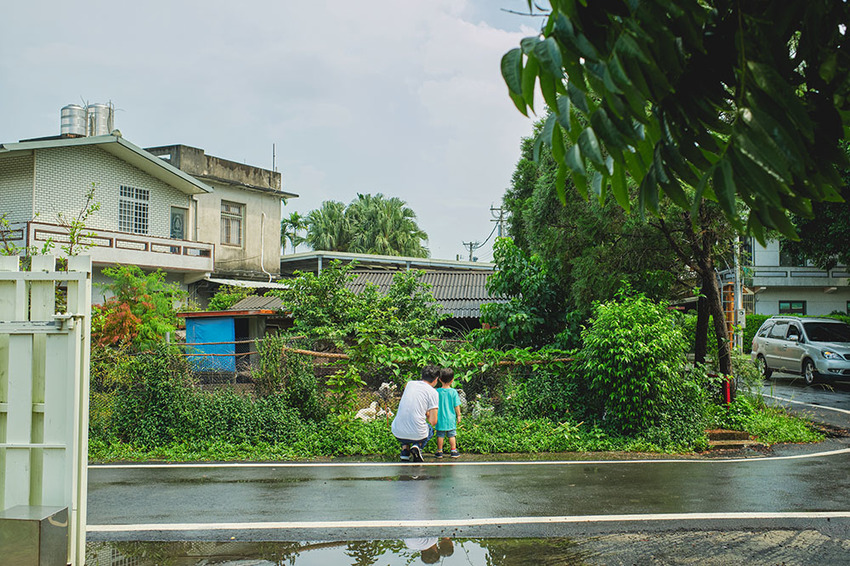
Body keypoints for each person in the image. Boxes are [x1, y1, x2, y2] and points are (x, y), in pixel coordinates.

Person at [391, 365, 439, 462]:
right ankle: (417, 446)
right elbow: (433, 421)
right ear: (436, 379)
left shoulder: (410, 384)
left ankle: (405, 450)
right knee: (430, 429)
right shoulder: (433, 393)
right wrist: (427, 413)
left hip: (397, 431)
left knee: (406, 423)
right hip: (418, 434)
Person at [434, 367, 462, 458]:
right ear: (452, 380)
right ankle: (453, 451)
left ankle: (439, 451)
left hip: (440, 417)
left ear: (440, 379)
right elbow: (456, 405)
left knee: (440, 435)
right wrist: (459, 415)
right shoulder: (453, 392)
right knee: (452, 435)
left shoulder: (437, 391)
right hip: (450, 418)